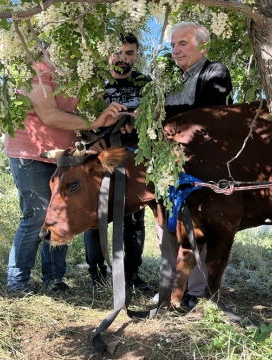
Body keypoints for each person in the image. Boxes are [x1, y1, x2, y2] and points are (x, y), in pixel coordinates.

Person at [5, 59, 128, 294]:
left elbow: (78, 118)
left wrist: (97, 131)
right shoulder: (37, 67)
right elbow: (49, 115)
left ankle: (53, 279)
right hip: (30, 152)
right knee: (38, 214)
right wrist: (95, 121)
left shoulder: (80, 70)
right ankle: (17, 280)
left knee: (63, 212)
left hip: (66, 156)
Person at [162, 22, 233, 306]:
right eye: (173, 45)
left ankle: (197, 293)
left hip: (204, 166)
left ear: (202, 45)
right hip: (170, 164)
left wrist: (162, 112)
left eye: (183, 44)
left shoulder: (215, 72)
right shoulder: (170, 78)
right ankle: (172, 288)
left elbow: (208, 114)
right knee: (171, 225)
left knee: (202, 226)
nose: (176, 51)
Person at [83, 33, 152, 291]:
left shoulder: (145, 83)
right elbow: (82, 118)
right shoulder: (94, 82)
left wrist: (136, 121)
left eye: (129, 53)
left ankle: (131, 275)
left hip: (135, 156)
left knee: (134, 215)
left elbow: (155, 117)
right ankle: (97, 274)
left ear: (136, 55)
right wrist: (91, 137)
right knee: (96, 214)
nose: (123, 58)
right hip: (100, 155)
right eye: (118, 52)